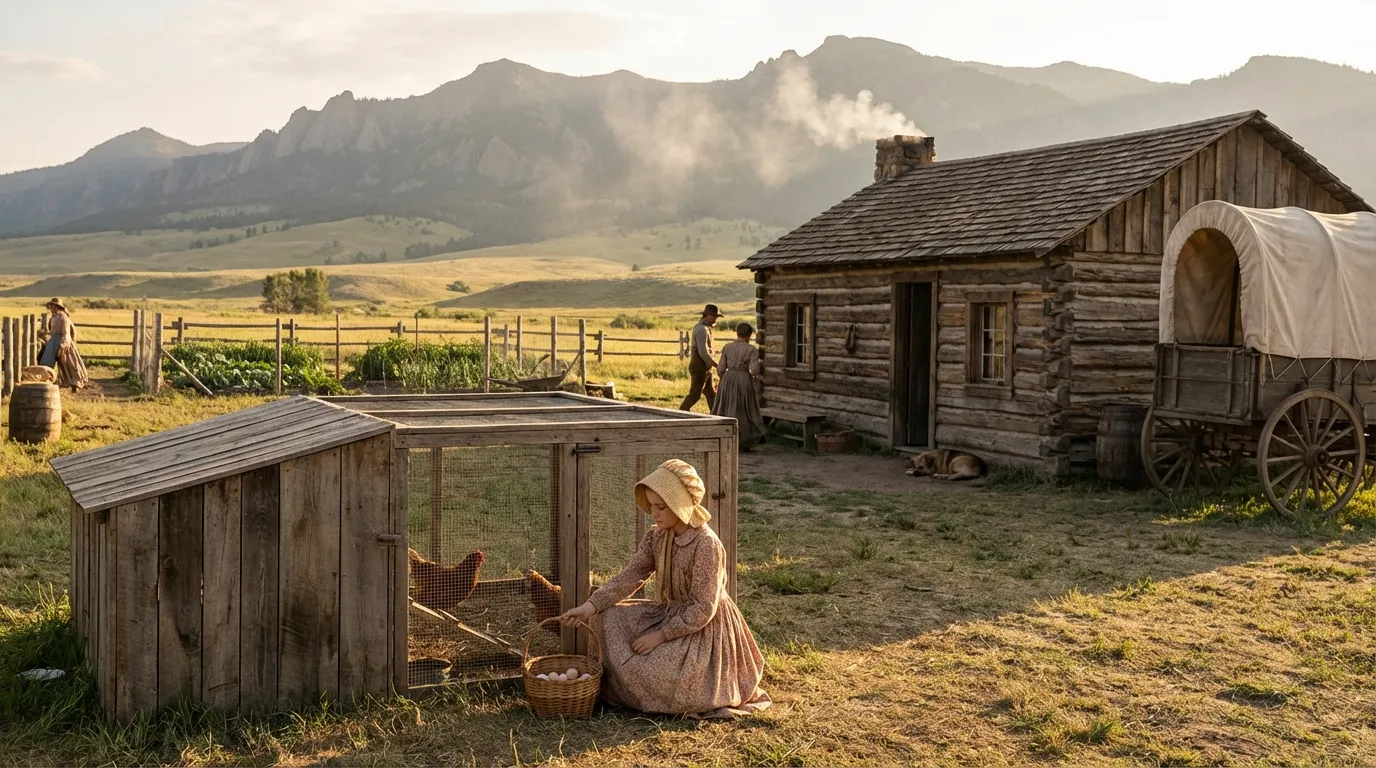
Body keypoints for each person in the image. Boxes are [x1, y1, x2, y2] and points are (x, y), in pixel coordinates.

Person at [559, 459, 771, 719]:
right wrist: (589, 606)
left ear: (680, 506)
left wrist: (660, 636)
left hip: (703, 628)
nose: (654, 513)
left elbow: (704, 608)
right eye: (651, 506)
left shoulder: (706, 544)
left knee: (660, 673)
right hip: (667, 613)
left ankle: (667, 689)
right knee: (606, 617)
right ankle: (628, 686)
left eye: (661, 507)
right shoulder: (657, 536)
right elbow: (632, 575)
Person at [712, 322, 767, 451]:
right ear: (749, 335)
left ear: (737, 333)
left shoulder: (728, 347)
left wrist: (724, 379)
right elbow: (754, 370)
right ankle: (744, 441)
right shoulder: (751, 349)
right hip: (743, 379)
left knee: (725, 406)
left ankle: (723, 437)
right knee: (743, 409)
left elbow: (720, 368)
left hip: (728, 378)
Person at [37, 298, 88, 393]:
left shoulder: (63, 318)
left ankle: (75, 384)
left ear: (56, 307)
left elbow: (66, 332)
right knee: (47, 360)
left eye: (52, 306)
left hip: (63, 341)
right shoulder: (53, 317)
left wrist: (63, 345)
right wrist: (46, 333)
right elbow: (53, 331)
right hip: (54, 341)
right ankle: (46, 379)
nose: (50, 307)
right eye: (50, 306)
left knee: (70, 364)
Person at [678, 304, 723, 412]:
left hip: (703, 367)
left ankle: (715, 414)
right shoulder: (703, 329)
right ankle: (682, 412)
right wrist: (715, 364)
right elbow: (703, 352)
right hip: (699, 366)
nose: (715, 319)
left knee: (710, 393)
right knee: (695, 394)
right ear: (706, 315)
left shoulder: (702, 328)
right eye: (713, 316)